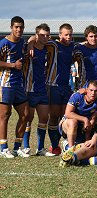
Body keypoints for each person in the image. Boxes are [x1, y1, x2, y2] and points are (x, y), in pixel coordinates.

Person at [22, 23, 55, 156]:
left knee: (43, 118)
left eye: (47, 35)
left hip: (42, 89)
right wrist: (30, 42)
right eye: (42, 35)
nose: (45, 37)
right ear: (36, 35)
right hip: (29, 89)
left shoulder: (50, 48)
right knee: (28, 118)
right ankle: (26, 147)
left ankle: (40, 148)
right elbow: (29, 39)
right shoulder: (27, 48)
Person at [0, 16, 29, 158]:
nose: (19, 29)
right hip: (5, 84)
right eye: (16, 27)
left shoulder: (23, 42)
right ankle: (3, 148)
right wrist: (13, 65)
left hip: (19, 84)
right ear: (11, 27)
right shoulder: (3, 43)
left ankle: (17, 147)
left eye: (21, 27)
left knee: (25, 115)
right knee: (5, 115)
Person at [46, 23, 75, 155]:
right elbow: (35, 40)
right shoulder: (53, 45)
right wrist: (30, 42)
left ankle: (64, 143)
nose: (68, 37)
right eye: (66, 35)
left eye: (70, 34)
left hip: (67, 86)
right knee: (54, 116)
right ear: (60, 35)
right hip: (53, 85)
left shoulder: (74, 47)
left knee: (66, 116)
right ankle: (54, 146)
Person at [59, 80, 97, 150]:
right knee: (73, 122)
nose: (93, 93)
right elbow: (68, 113)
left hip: (83, 127)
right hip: (67, 124)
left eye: (96, 91)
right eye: (91, 90)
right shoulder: (77, 96)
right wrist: (85, 119)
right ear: (86, 90)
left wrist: (86, 139)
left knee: (84, 145)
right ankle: (70, 150)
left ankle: (68, 144)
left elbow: (92, 119)